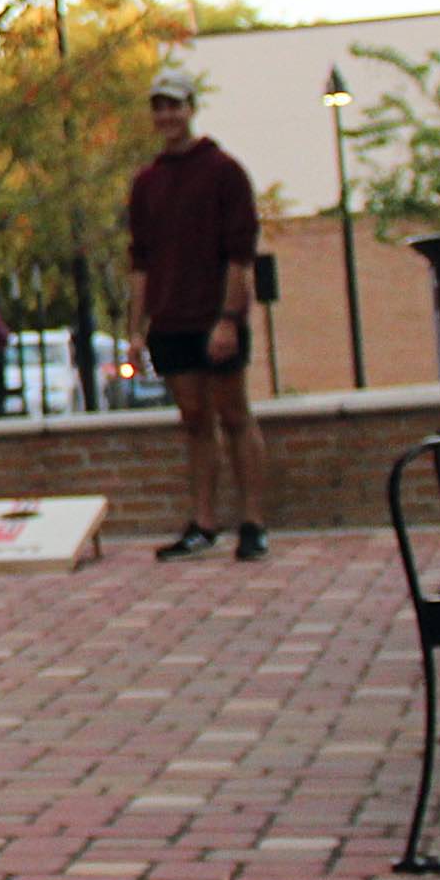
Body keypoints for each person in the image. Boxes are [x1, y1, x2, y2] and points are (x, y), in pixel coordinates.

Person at [129, 66, 268, 561]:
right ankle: (202, 522)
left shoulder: (223, 171)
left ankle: (253, 522)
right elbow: (140, 261)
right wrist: (136, 329)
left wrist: (229, 319)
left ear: (191, 108)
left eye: (175, 105)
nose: (167, 115)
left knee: (234, 414)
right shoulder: (146, 182)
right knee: (193, 420)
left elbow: (240, 254)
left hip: (215, 318)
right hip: (171, 320)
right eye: (159, 106)